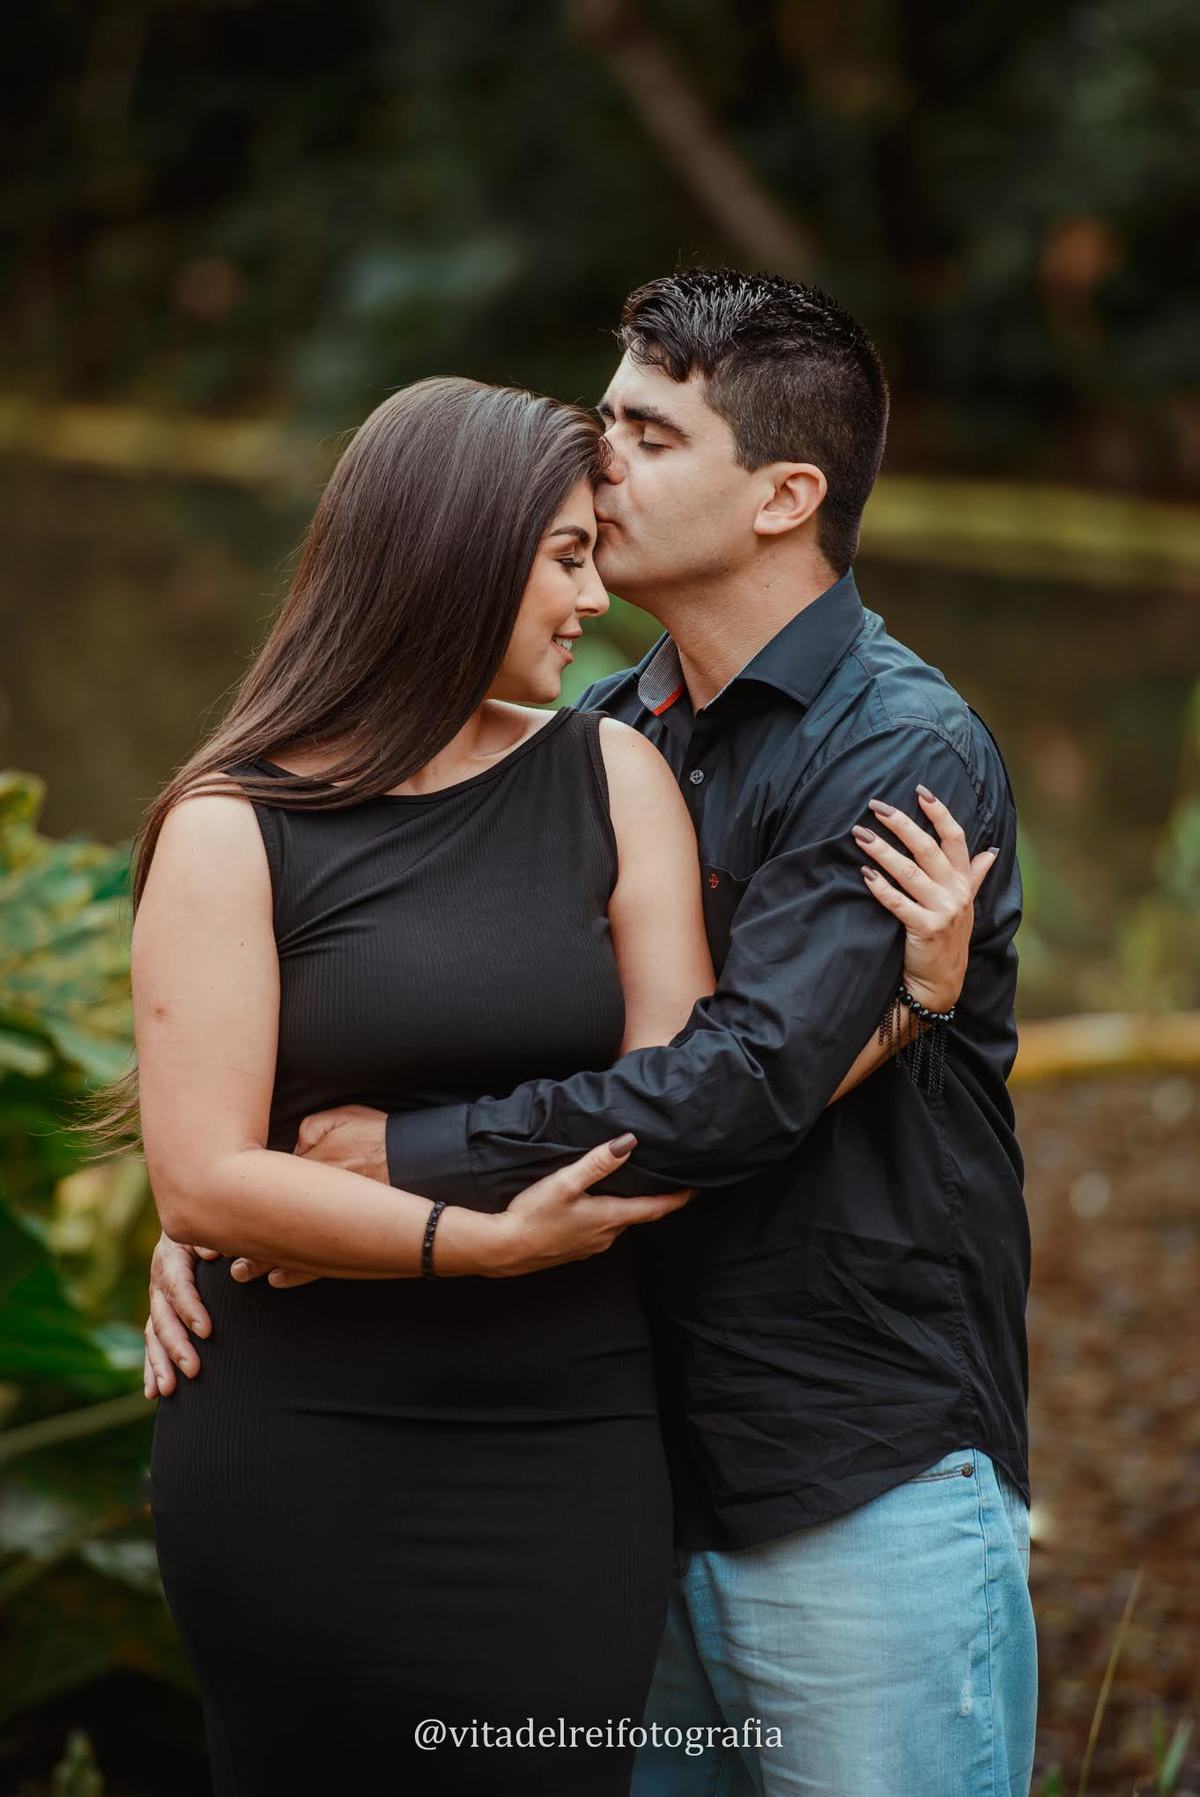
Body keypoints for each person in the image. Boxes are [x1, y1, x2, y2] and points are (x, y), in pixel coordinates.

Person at [130, 369, 983, 1797]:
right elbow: (203, 1176)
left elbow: (688, 1095)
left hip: (562, 1433)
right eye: (568, 557)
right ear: (451, 559)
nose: (596, 596)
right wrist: (470, 1240)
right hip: (297, 1439)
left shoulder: (613, 770)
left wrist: (905, 1005)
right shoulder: (230, 826)